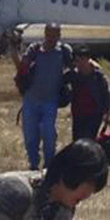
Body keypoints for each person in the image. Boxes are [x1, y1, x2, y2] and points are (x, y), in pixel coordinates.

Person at [18, 23, 73, 169]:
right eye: (49, 34)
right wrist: (14, 52)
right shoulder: (34, 50)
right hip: (31, 99)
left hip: (51, 100)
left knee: (48, 134)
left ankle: (49, 166)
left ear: (59, 35)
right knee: (31, 136)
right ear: (44, 34)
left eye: (55, 35)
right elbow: (22, 68)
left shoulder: (64, 51)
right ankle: (33, 164)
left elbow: (74, 68)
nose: (51, 38)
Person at [66, 45, 110, 141]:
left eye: (82, 59)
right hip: (78, 113)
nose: (80, 63)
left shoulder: (98, 76)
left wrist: (107, 113)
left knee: (88, 140)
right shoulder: (73, 75)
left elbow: (106, 94)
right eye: (77, 60)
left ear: (88, 59)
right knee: (77, 141)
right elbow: (59, 82)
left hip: (94, 114)